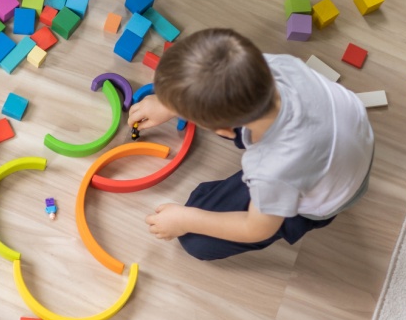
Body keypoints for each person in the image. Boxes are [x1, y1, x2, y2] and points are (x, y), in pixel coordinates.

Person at [128, 28, 374, 261]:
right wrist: (170, 102)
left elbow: (257, 229)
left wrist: (186, 219)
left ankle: (197, 214)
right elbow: (217, 78)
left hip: (327, 197)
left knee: (195, 241)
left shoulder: (271, 169)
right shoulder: (278, 65)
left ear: (223, 129)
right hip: (349, 140)